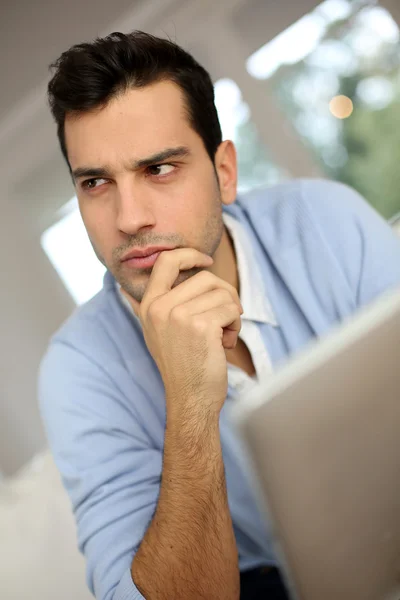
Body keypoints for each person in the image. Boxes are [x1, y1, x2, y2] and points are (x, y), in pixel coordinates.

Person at [39, 30, 400, 600]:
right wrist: (189, 403)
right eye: (96, 182)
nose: (129, 217)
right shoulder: (78, 370)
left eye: (159, 168)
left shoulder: (325, 221)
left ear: (224, 171)